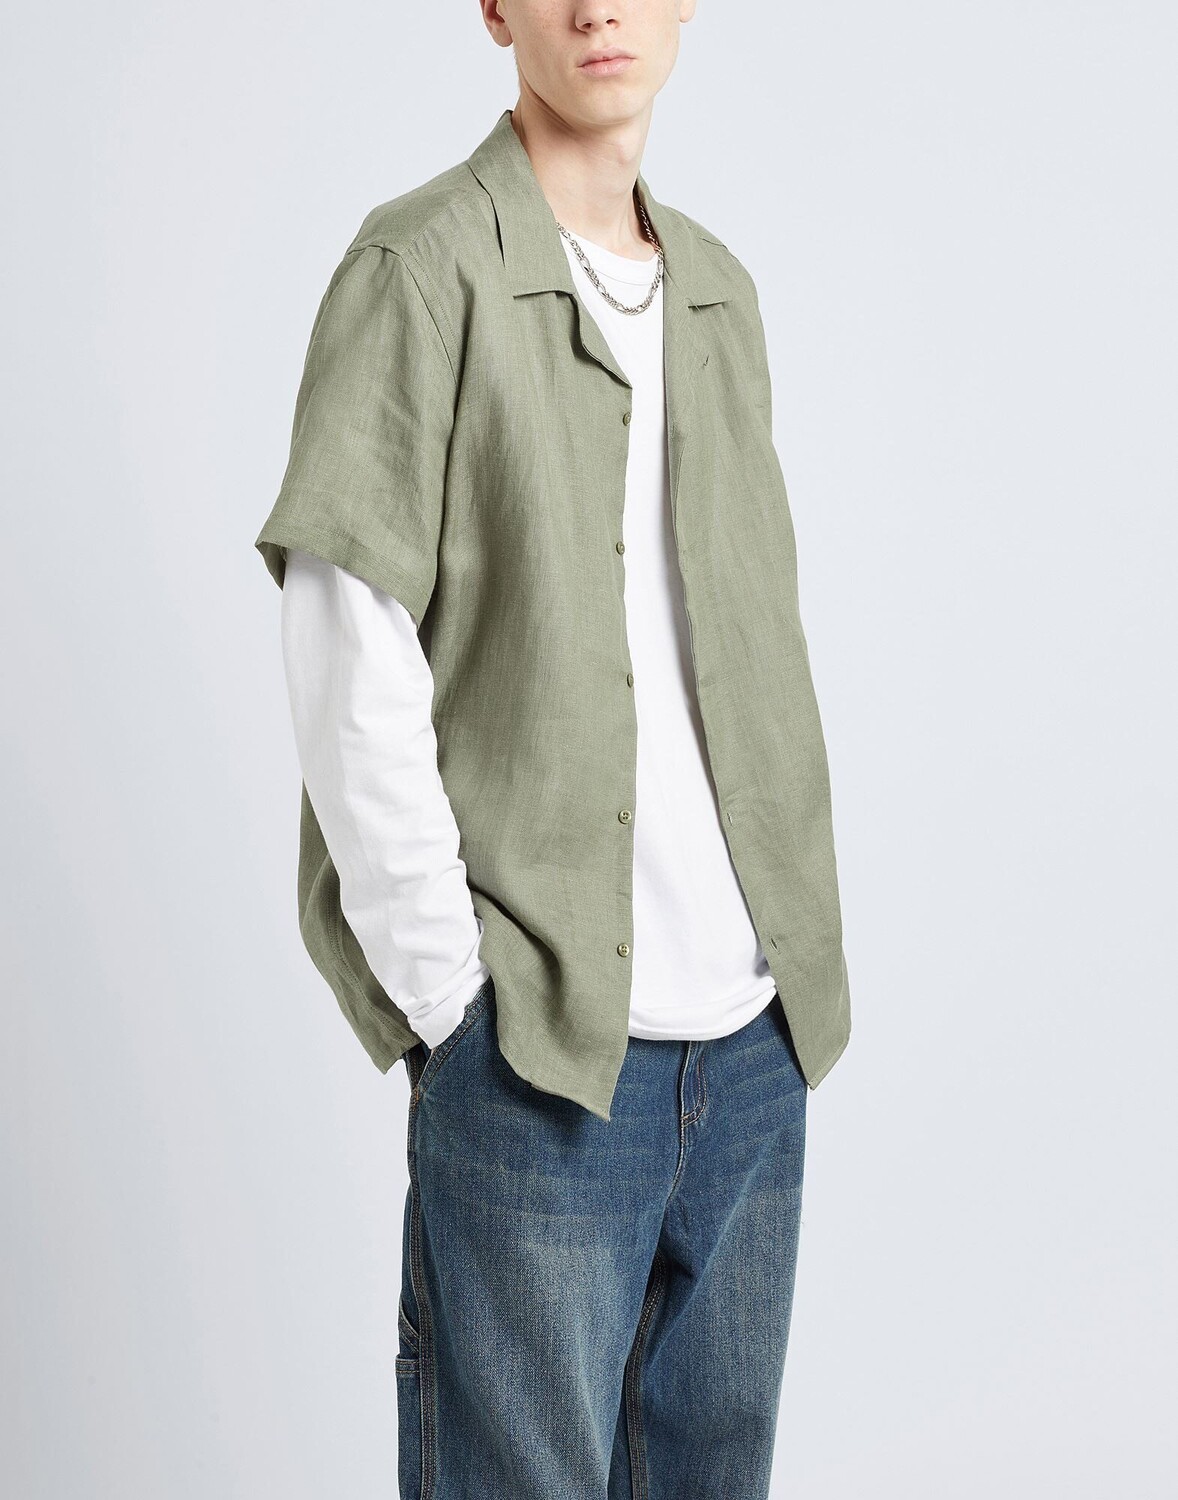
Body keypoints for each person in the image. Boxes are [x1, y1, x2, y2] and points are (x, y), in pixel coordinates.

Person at [254, 3, 851, 1495]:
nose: (597, 9)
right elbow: (347, 641)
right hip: (539, 1047)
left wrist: (784, 982)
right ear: (492, 8)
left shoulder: (717, 291)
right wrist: (453, 1001)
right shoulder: (420, 267)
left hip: (751, 1047)